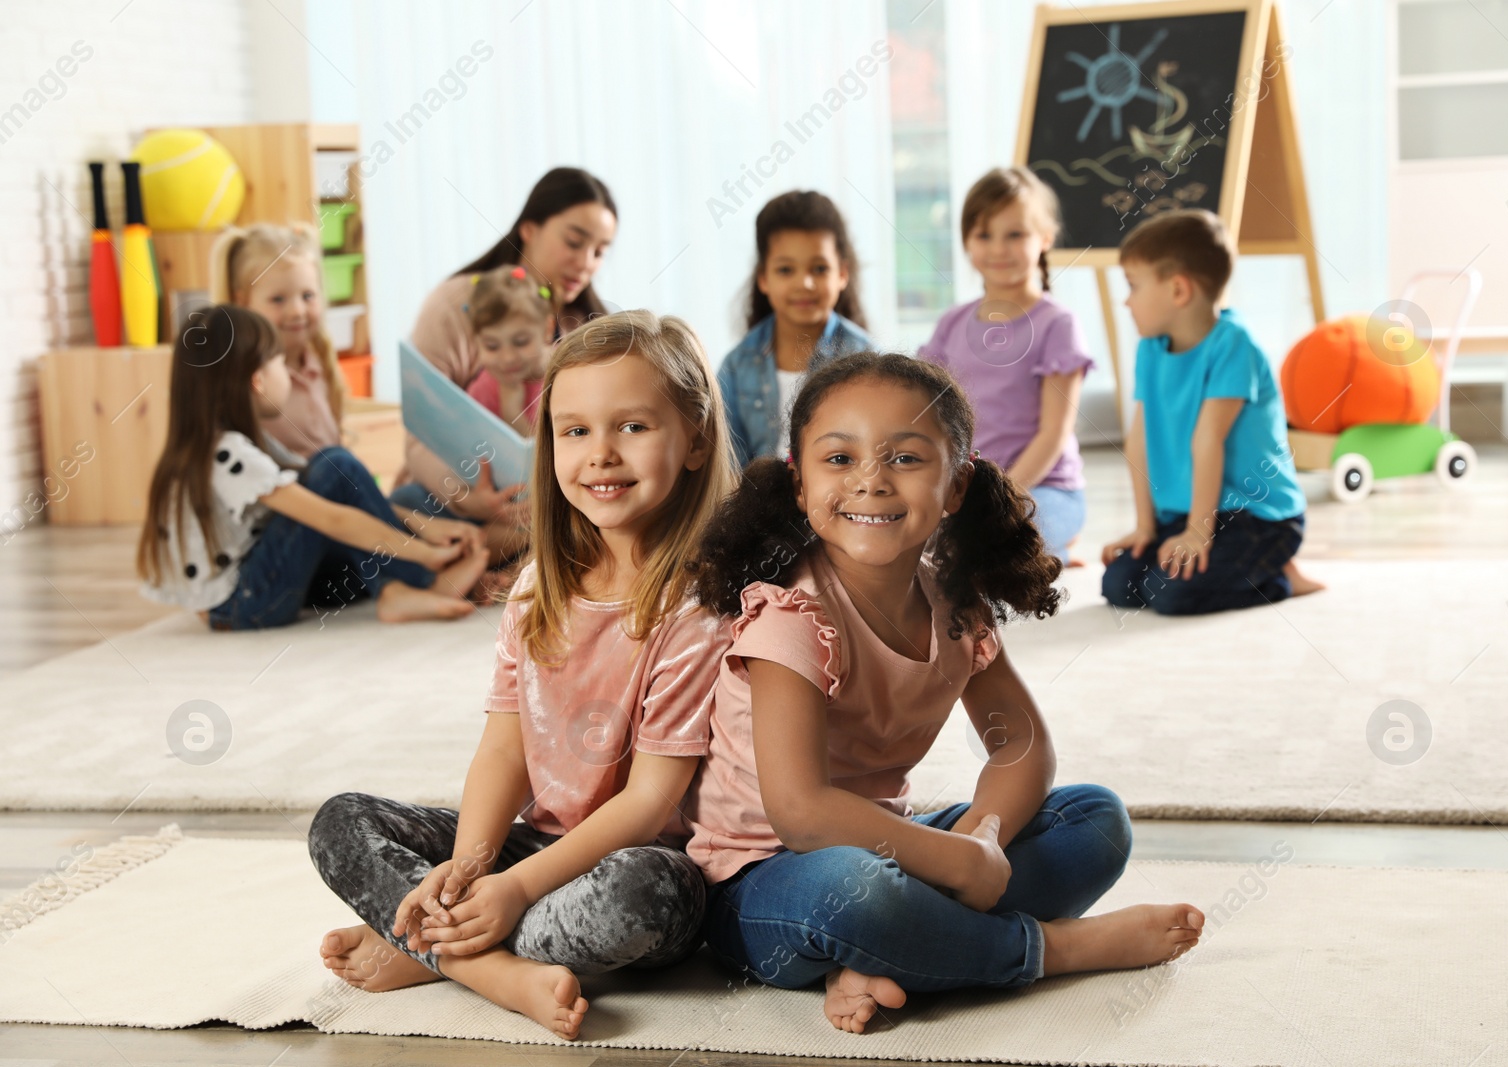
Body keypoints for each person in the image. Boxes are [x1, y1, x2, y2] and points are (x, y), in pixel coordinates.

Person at [684, 351, 1204, 1033]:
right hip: (762, 884)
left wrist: (984, 834)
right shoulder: (791, 615)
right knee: (860, 891)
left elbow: (1020, 740)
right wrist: (958, 860)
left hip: (893, 851)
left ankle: (893, 954)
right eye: (839, 459)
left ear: (956, 485)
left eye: (905, 458)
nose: (870, 480)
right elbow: (802, 813)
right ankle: (1048, 949)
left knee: (1096, 819)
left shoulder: (953, 600)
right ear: (800, 485)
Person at [309, 310, 739, 1041]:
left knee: (649, 897)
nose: (600, 455)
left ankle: (425, 948)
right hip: (534, 845)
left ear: (695, 439)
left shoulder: (699, 605)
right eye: (575, 431)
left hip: (638, 857)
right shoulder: (543, 584)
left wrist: (511, 891)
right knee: (339, 821)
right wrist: (472, 868)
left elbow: (648, 801)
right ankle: (488, 968)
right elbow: (504, 750)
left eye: (631, 427)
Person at [136, 305, 487, 630]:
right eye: (280, 362)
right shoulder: (229, 453)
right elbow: (329, 516)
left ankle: (398, 585)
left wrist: (423, 527)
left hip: (251, 593)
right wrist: (426, 555)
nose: (288, 371)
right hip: (249, 601)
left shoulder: (224, 443)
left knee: (374, 505)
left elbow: (337, 505)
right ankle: (416, 584)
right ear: (257, 381)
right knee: (335, 466)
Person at [1102, 209, 1324, 615]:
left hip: (1256, 517)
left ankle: (1278, 575)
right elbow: (1139, 439)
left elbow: (1208, 440)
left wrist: (1198, 534)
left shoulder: (1233, 345)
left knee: (1171, 595)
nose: (1126, 300)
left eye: (1133, 286)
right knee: (1120, 584)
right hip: (1190, 509)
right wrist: (1146, 527)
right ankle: (1232, 562)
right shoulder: (1150, 349)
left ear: (1178, 291)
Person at [395, 167, 618, 562]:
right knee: (399, 510)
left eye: (599, 252)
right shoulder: (456, 304)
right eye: (574, 242)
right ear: (529, 230)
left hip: (552, 501)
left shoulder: (588, 328)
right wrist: (471, 499)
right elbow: (419, 434)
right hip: (457, 492)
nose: (586, 262)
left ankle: (497, 561)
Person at [921, 167, 1093, 564]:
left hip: (1044, 489)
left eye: (1015, 234)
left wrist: (1002, 501)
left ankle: (1055, 549)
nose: (999, 248)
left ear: (1045, 238)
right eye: (984, 235)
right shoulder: (952, 323)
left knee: (985, 556)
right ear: (966, 241)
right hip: (968, 490)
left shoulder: (1057, 324)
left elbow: (1054, 433)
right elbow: (926, 413)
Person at [718, 190, 873, 468]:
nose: (805, 283)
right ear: (763, 278)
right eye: (786, 270)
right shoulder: (737, 367)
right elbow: (727, 466)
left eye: (819, 268)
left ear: (842, 274)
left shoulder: (867, 359)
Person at [210, 222, 344, 459]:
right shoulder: (248, 381)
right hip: (285, 490)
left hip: (328, 490)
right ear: (241, 304)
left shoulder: (317, 365)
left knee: (411, 494)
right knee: (338, 461)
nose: (297, 311)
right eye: (278, 299)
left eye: (308, 296)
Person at [463, 265, 555, 437]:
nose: (508, 358)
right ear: (475, 341)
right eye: (492, 346)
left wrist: (514, 416)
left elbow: (551, 458)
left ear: (547, 330)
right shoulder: (482, 393)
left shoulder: (568, 371)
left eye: (521, 342)